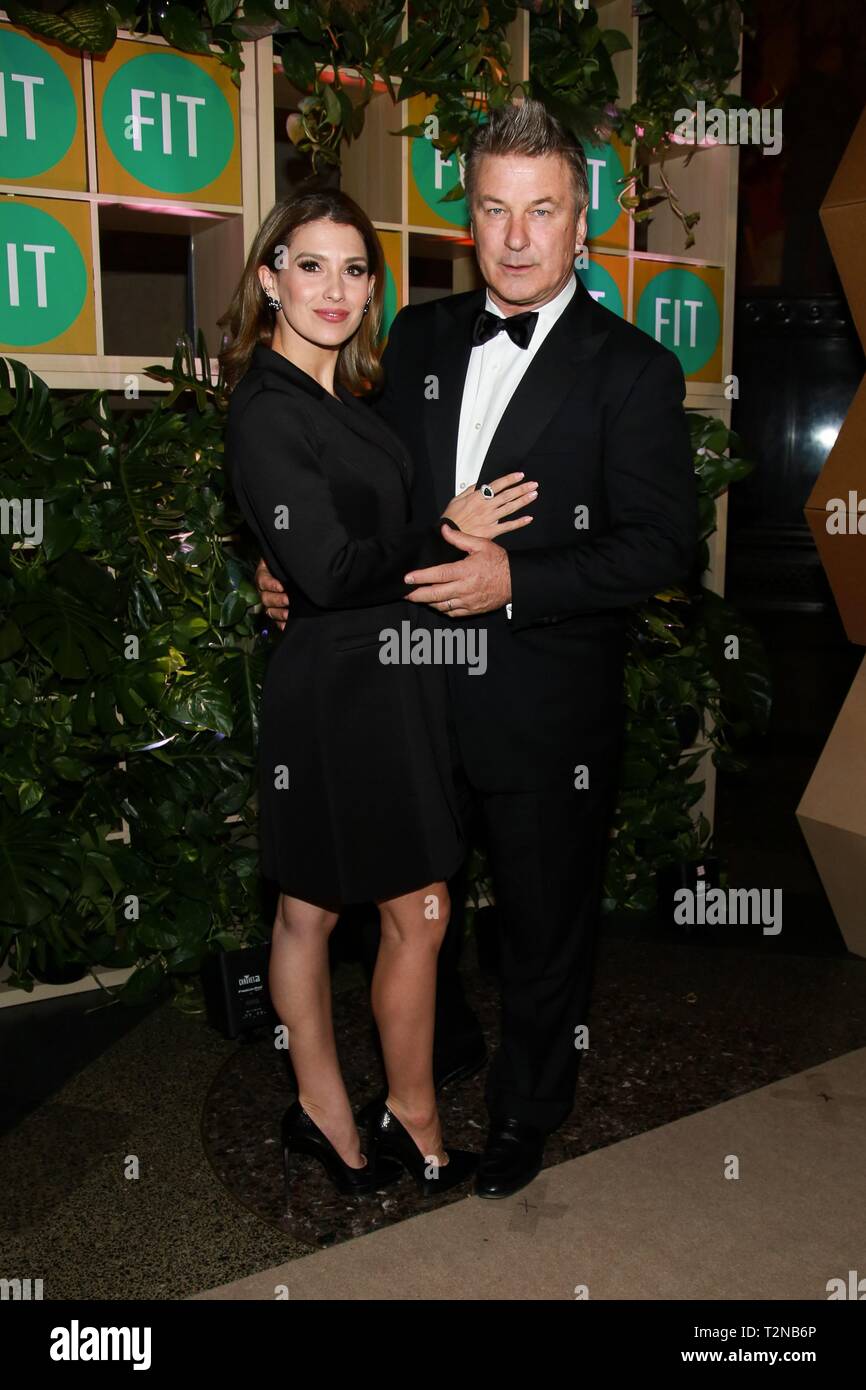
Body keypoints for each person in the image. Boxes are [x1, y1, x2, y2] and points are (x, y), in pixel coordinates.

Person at [255, 100, 699, 1200]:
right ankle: (431, 1065)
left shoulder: (630, 370)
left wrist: (519, 582)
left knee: (544, 925)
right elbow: (374, 508)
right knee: (412, 906)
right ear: (469, 219)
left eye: (538, 211)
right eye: (493, 209)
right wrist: (291, 566)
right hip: (399, 688)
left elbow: (664, 545)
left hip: (544, 704)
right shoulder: (417, 337)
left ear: (578, 223)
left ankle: (524, 1113)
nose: (512, 236)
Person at [221, 188, 538, 1200]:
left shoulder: (340, 404)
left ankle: (363, 1111)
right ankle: (387, 1114)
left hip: (385, 677)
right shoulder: (267, 409)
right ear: (269, 276)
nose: (335, 289)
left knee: (317, 908)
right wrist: (445, 527)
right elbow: (327, 566)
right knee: (403, 910)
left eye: (354, 269)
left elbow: (324, 563)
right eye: (308, 265)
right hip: (336, 696)